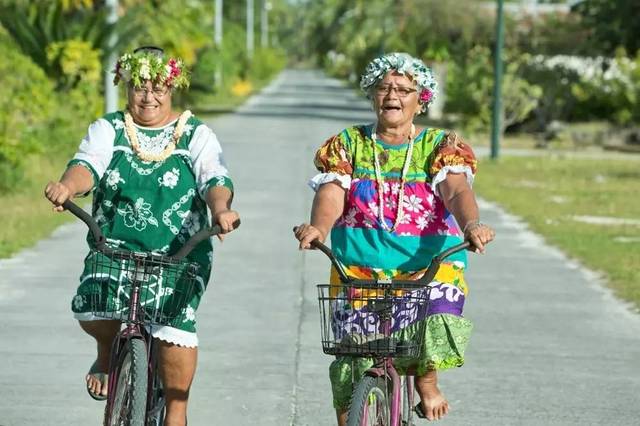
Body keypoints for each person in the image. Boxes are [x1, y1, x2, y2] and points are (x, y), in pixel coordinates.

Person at [294, 52, 495, 424]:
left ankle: (427, 382)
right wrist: (318, 228)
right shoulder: (348, 144)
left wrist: (471, 225)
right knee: (351, 365)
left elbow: (456, 190)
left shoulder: (439, 145)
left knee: (435, 319)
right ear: (372, 95)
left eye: (404, 89)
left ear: (421, 101)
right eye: (384, 87)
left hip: (427, 271)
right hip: (359, 271)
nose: (393, 95)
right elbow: (332, 193)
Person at [44, 46, 239, 426]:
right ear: (126, 86)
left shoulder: (195, 134)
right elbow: (87, 165)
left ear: (173, 88)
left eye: (158, 88)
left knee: (173, 327)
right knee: (93, 301)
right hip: (114, 248)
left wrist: (221, 210)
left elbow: (215, 178)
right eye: (139, 87)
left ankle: (176, 415)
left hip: (179, 254)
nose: (148, 96)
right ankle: (106, 353)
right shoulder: (110, 128)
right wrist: (69, 187)